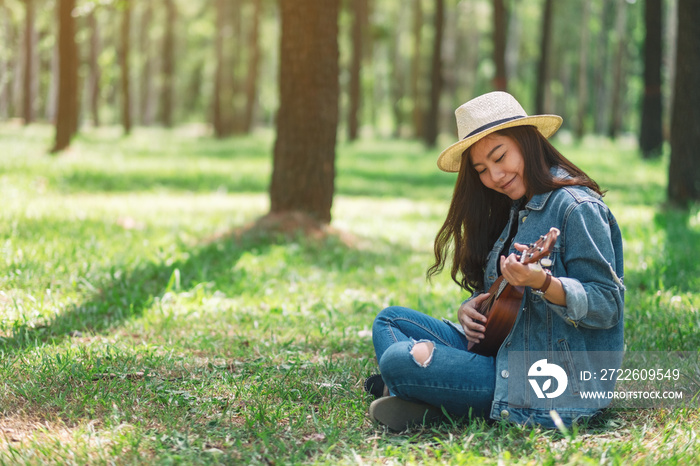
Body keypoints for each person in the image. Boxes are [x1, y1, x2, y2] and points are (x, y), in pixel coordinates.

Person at [365, 91, 625, 431]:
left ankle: (426, 395)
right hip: (499, 352)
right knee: (390, 320)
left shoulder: (576, 208)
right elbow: (503, 301)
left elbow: (607, 305)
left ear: (527, 142)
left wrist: (544, 283)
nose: (496, 176)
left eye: (500, 157)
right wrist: (470, 307)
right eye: (482, 169)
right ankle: (432, 397)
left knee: (398, 360)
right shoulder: (517, 208)